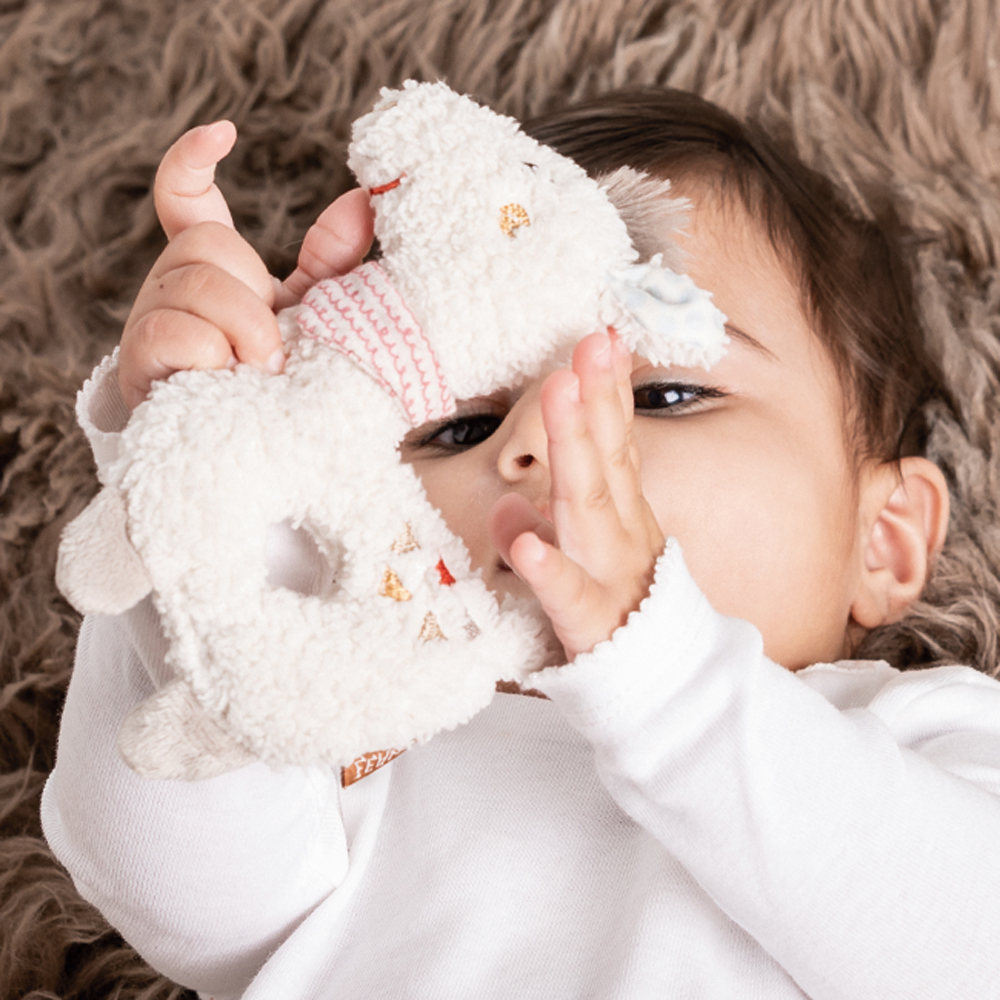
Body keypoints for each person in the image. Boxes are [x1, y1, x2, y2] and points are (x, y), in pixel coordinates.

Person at [42, 89, 1000, 999]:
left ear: (885, 540)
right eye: (461, 426)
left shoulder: (916, 737)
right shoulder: (373, 735)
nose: (544, 434)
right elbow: (173, 894)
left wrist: (669, 684)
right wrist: (211, 478)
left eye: (663, 394)